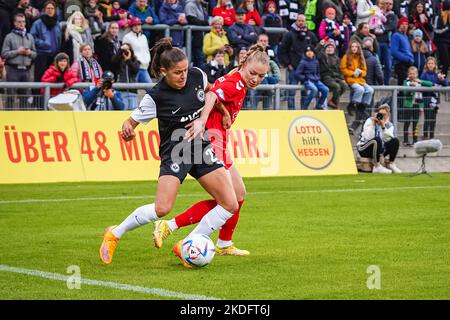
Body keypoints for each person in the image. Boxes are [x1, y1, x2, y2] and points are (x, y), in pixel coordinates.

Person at [99, 38, 240, 266]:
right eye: (177, 72)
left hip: (200, 147)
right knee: (162, 208)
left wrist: (222, 111)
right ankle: (115, 233)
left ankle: (188, 243)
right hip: (175, 151)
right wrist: (127, 129)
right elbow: (130, 122)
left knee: (230, 204)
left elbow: (210, 92)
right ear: (164, 72)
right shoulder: (155, 97)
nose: (183, 75)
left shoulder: (197, 75)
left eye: (185, 70)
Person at [152, 44, 270, 259]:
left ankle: (223, 242)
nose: (255, 79)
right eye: (253, 73)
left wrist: (224, 113)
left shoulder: (238, 78)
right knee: (227, 200)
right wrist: (202, 121)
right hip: (212, 142)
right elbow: (212, 95)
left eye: (261, 76)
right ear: (243, 66)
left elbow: (218, 89)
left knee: (238, 195)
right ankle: (180, 233)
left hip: (220, 141)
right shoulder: (235, 83)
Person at [1, 13, 37, 110]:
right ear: (15, 23)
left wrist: (29, 52)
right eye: (19, 22)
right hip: (13, 70)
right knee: (10, 97)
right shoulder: (9, 37)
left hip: (26, 71)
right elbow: (4, 53)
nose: (22, 24)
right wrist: (17, 51)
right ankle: (8, 119)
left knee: (24, 98)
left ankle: (23, 120)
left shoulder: (30, 37)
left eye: (23, 22)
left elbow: (35, 54)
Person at [357, 104, 402, 173]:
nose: (382, 116)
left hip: (379, 150)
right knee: (376, 140)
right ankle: (377, 166)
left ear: (388, 115)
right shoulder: (369, 121)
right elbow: (368, 137)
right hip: (364, 148)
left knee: (395, 141)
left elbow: (388, 139)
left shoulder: (389, 125)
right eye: (380, 114)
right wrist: (373, 124)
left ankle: (391, 164)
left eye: (384, 114)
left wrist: (383, 126)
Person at [401, 65, 432, 146]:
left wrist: (420, 81)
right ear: (408, 74)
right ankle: (405, 140)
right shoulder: (406, 82)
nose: (412, 75)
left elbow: (430, 84)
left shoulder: (419, 82)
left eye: (414, 73)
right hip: (408, 105)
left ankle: (415, 140)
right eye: (410, 73)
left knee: (416, 123)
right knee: (407, 123)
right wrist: (411, 87)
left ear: (417, 74)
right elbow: (404, 93)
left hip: (417, 106)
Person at [315, 39, 347, 109]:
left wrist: (342, 79)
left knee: (344, 86)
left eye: (331, 47)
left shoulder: (337, 58)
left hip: (336, 77)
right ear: (325, 48)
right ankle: (335, 103)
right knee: (336, 87)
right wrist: (320, 45)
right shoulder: (322, 56)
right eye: (328, 47)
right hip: (326, 76)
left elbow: (340, 70)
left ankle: (333, 101)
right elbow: (316, 53)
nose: (330, 49)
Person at [296, 45, 330, 110]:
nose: (309, 53)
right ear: (305, 53)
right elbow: (297, 74)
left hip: (316, 80)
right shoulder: (302, 62)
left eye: (311, 51)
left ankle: (319, 105)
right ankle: (305, 106)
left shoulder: (316, 61)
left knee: (326, 90)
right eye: (307, 51)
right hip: (308, 80)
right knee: (314, 90)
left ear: (313, 53)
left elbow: (318, 72)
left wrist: (317, 77)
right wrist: (305, 78)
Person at [122, 17, 152, 83]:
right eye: (135, 25)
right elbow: (125, 54)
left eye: (138, 25)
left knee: (151, 90)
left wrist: (147, 61)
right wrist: (133, 63)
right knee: (133, 90)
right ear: (131, 26)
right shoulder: (127, 37)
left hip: (144, 67)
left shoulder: (144, 37)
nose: (137, 27)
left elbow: (147, 51)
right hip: (133, 68)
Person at [112, 42, 140, 110]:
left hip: (132, 91)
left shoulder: (135, 61)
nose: (125, 52)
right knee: (123, 112)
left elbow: (135, 70)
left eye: (127, 49)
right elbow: (113, 61)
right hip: (121, 91)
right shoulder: (118, 62)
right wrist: (120, 50)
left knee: (133, 114)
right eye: (124, 50)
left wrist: (128, 60)